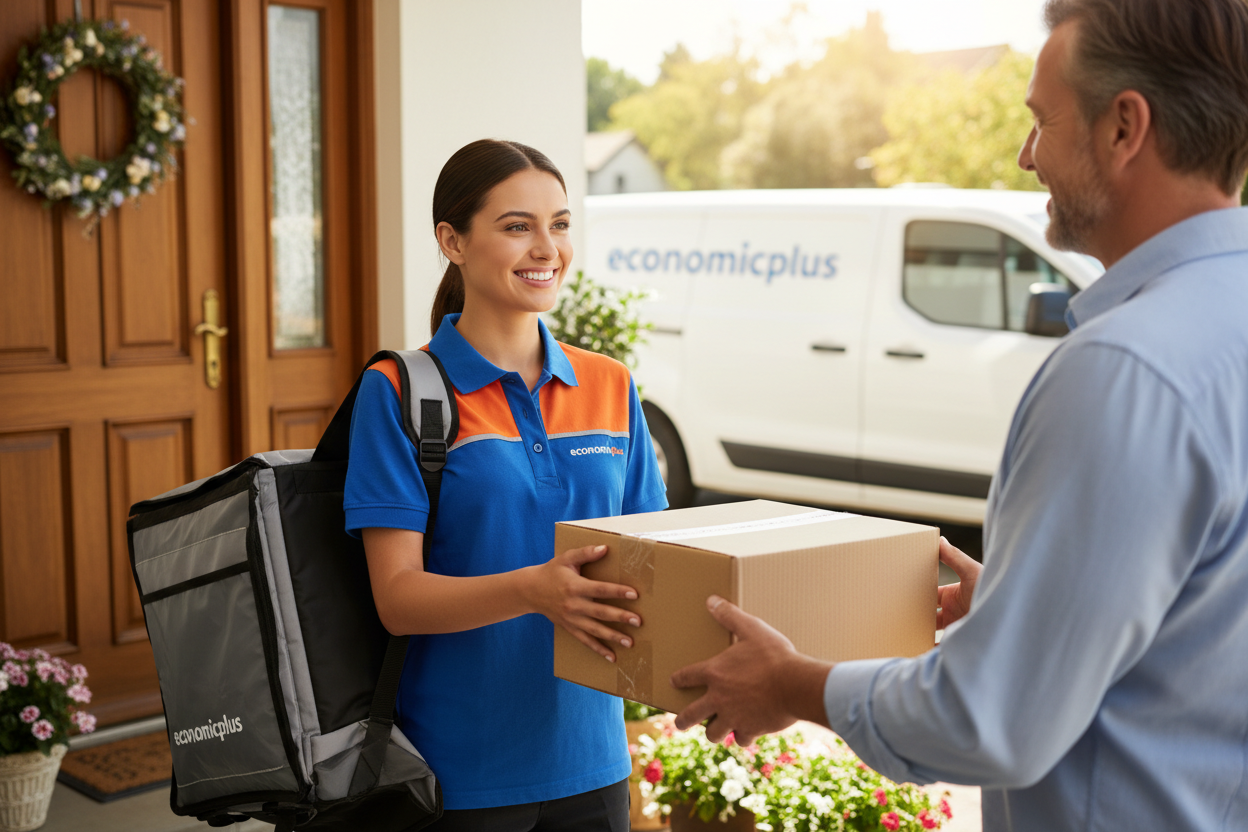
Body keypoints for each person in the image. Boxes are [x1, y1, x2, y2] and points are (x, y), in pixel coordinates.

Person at [668, 1, 1248, 829]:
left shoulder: (1124, 370)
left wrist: (790, 682)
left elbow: (989, 719)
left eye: (1041, 123)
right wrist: (1032, 603)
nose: (1025, 157)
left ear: (1125, 127)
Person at [344, 139, 667, 831]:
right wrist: (533, 589)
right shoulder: (399, 390)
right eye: (517, 226)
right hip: (456, 774)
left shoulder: (611, 385)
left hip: (595, 760)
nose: (546, 247)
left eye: (559, 223)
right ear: (452, 240)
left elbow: (658, 561)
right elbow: (397, 599)